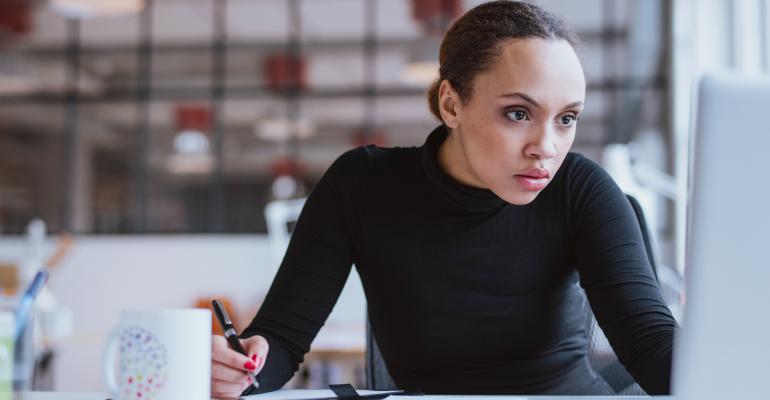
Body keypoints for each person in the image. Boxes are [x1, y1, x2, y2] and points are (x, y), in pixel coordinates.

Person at [210, 1, 678, 398]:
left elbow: (651, 346)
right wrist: (239, 370)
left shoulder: (583, 189)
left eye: (567, 118)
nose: (547, 147)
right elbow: (281, 341)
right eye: (518, 113)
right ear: (452, 105)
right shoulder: (362, 185)